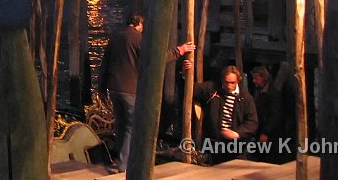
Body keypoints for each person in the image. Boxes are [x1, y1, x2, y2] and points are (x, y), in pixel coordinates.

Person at [98, 14, 195, 171]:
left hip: (114, 88)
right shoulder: (138, 38)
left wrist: (101, 88)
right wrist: (179, 50)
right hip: (131, 89)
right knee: (132, 126)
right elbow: (155, 57)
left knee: (121, 126)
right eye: (142, 26)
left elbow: (105, 62)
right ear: (139, 24)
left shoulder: (115, 36)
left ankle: (119, 159)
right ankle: (124, 165)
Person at [194, 65, 258, 164]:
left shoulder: (246, 98)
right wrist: (186, 73)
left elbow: (252, 121)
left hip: (237, 147)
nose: (229, 86)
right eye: (226, 82)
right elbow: (191, 89)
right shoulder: (212, 89)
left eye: (232, 83)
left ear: (238, 81)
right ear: (222, 80)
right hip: (214, 144)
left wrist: (237, 133)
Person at [250, 66, 284, 162]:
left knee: (268, 156)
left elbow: (275, 115)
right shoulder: (259, 90)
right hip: (260, 128)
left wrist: (266, 132)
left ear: (263, 78)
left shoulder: (272, 94)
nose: (253, 81)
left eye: (256, 78)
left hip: (269, 131)